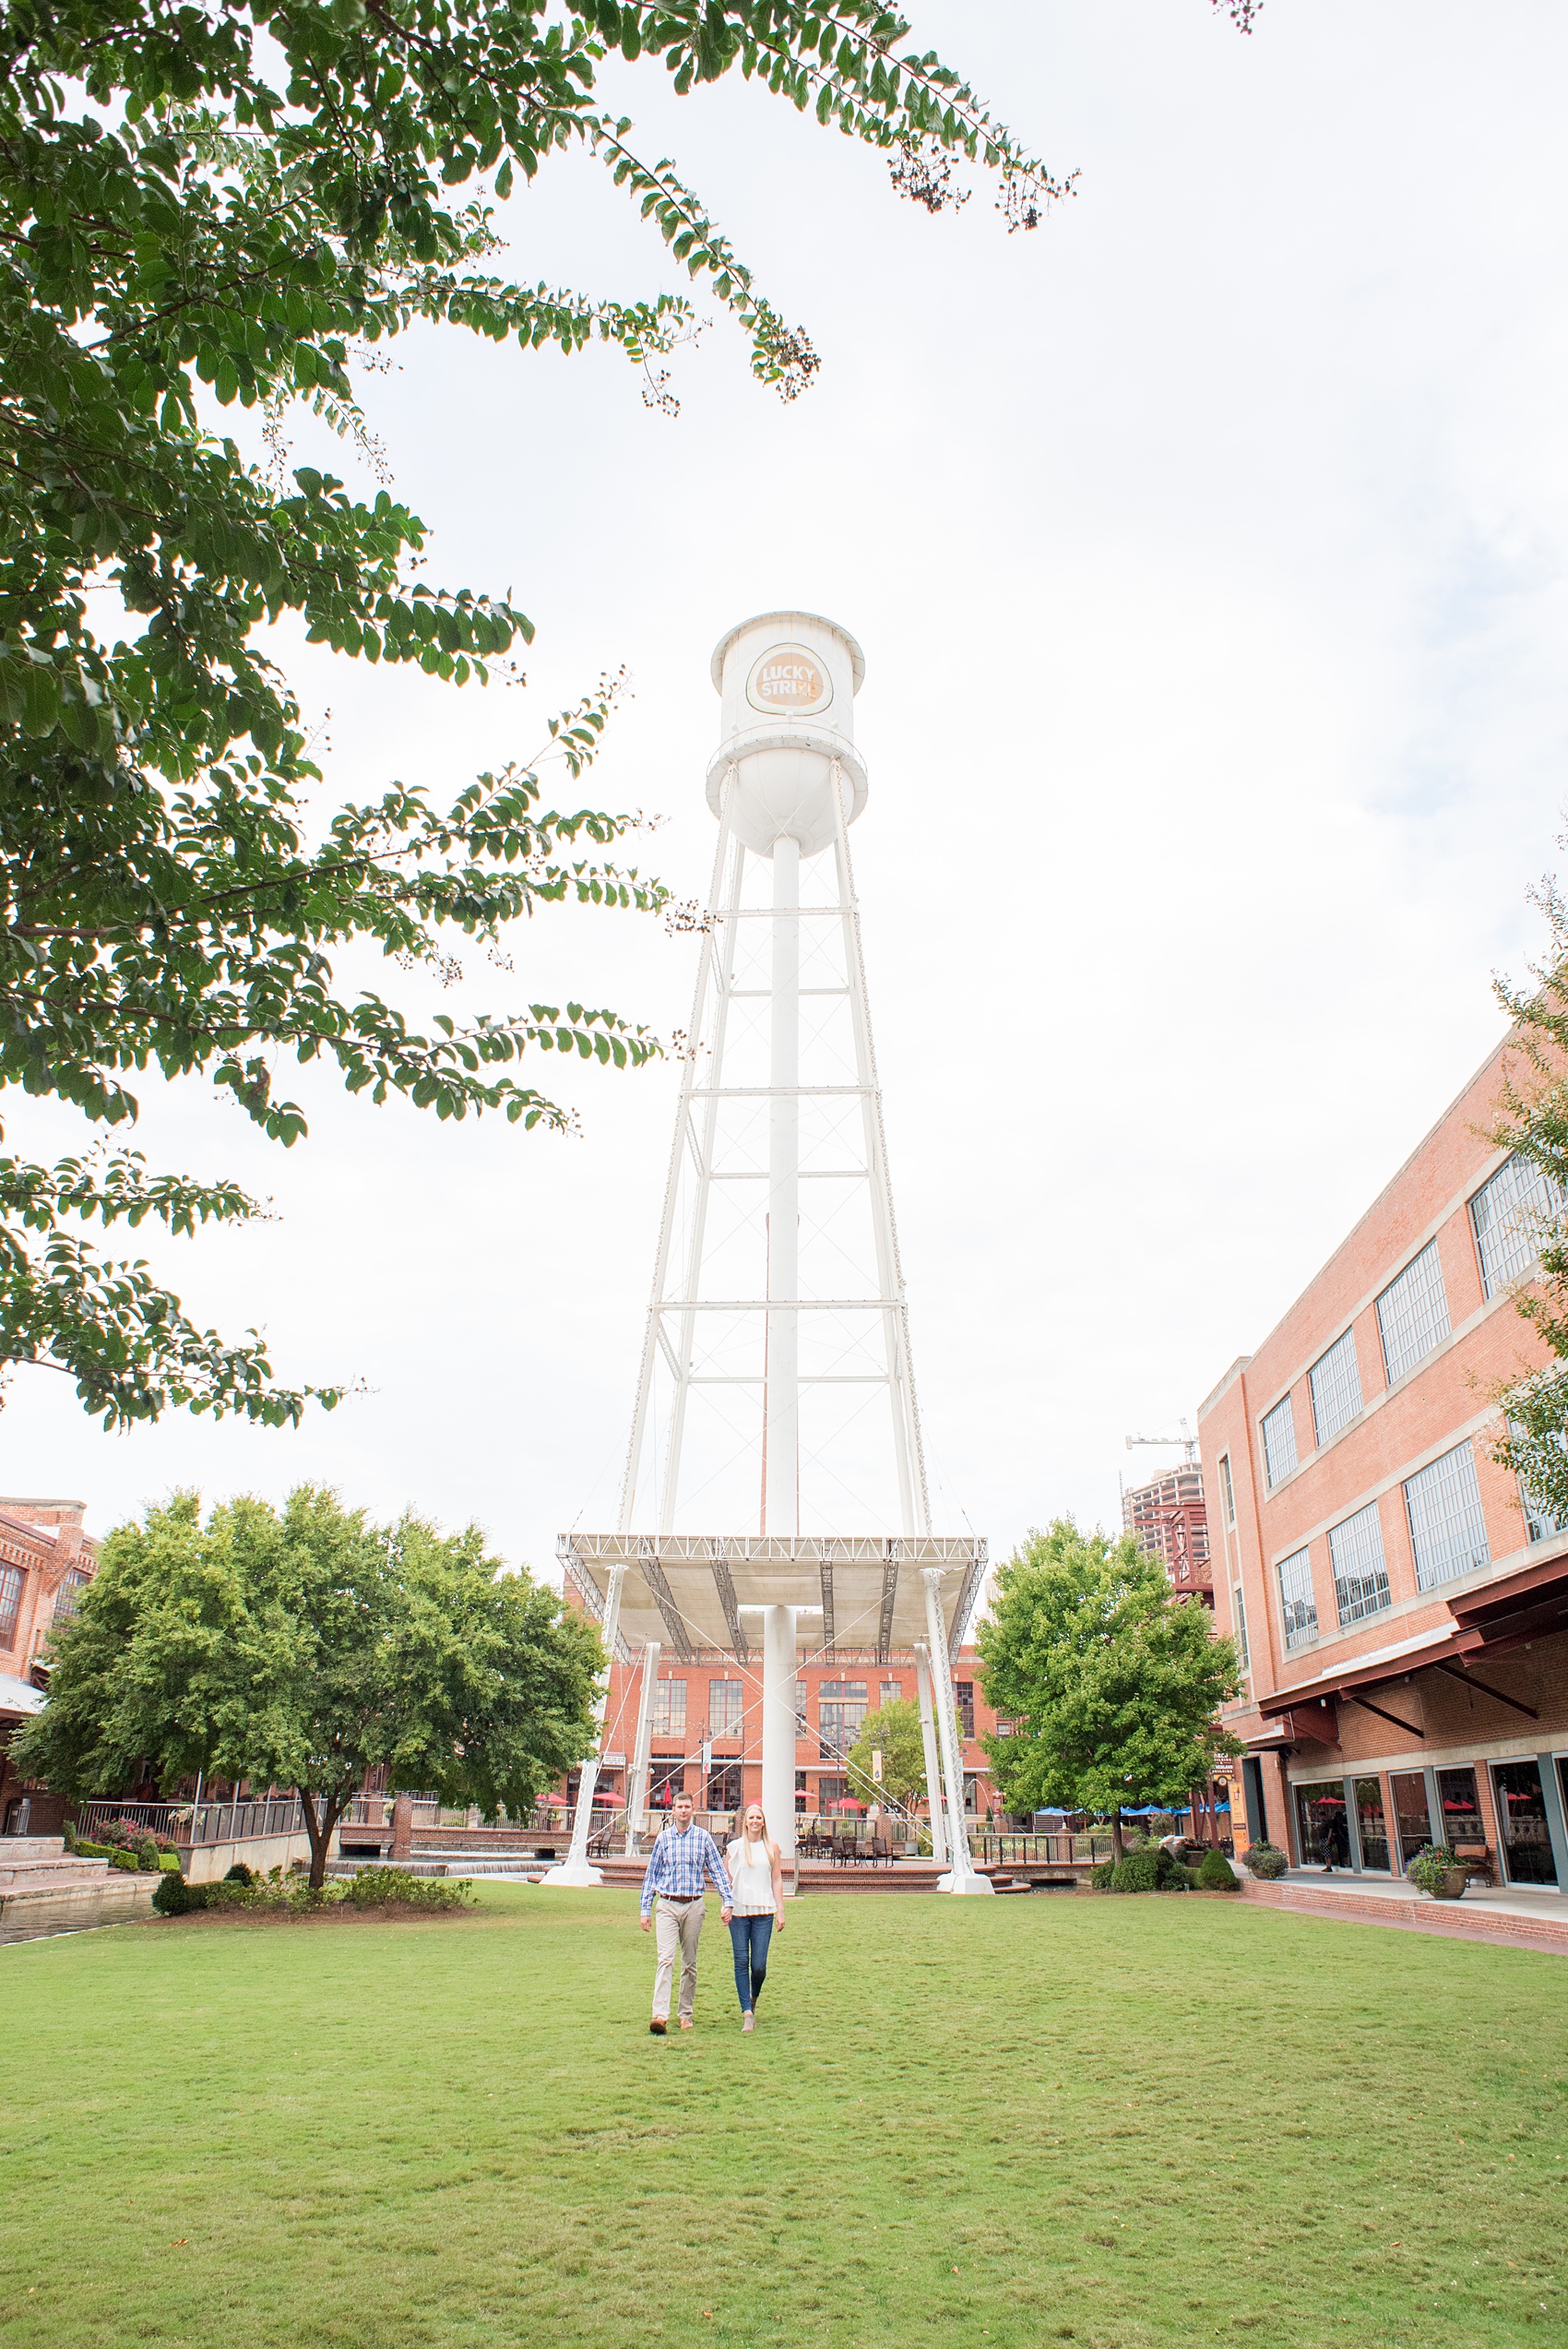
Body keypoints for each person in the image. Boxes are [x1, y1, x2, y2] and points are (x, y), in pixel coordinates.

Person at [639, 1789, 733, 2034]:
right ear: (673, 1810)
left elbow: (717, 1872)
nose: (683, 1811)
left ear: (693, 1810)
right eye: (679, 1807)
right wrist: (645, 1909)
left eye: (687, 1807)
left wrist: (727, 1901)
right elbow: (652, 1875)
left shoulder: (703, 1838)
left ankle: (685, 2013)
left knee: (689, 1963)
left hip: (693, 1905)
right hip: (667, 1905)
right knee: (665, 1959)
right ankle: (660, 2015)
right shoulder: (663, 1839)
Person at [726, 1801, 785, 2033]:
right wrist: (726, 1904)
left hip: (763, 1911)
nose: (754, 1821)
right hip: (739, 1912)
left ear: (763, 1822)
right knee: (741, 1962)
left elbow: (777, 1879)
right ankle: (746, 2013)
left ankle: (753, 1996)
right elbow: (725, 1879)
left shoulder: (772, 1847)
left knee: (758, 1966)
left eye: (758, 1818)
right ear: (745, 1822)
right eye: (751, 1818)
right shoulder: (735, 1848)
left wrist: (780, 1909)